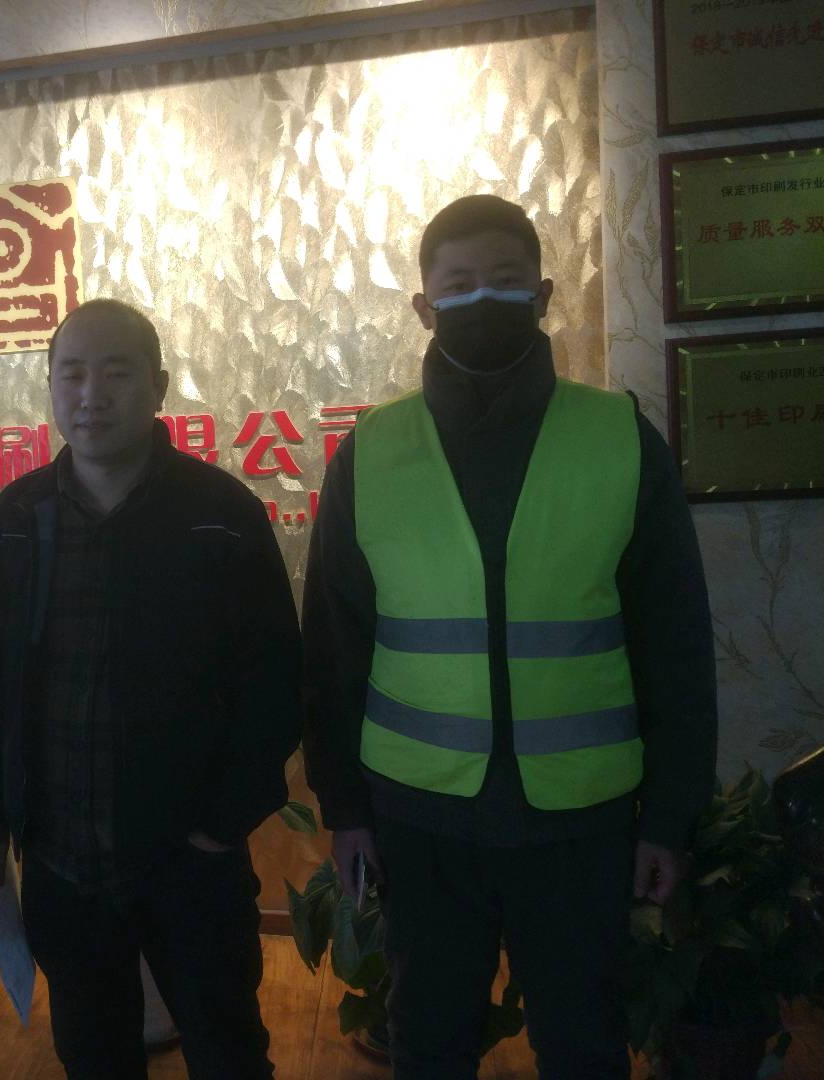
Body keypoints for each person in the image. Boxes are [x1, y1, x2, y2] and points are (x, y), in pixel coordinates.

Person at [302, 195, 717, 1079]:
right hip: (420, 818)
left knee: (584, 1044)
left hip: (580, 822)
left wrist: (669, 817)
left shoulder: (618, 439)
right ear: (423, 307)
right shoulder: (370, 453)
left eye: (504, 280)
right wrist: (345, 811)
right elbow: (334, 650)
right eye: (457, 285)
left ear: (544, 295)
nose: (481, 299)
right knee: (429, 1042)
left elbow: (675, 647)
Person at [0, 298, 302, 1079]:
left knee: (228, 1050)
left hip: (190, 860)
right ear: (51, 386)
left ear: (159, 387)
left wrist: (221, 825)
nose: (91, 395)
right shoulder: (17, 520)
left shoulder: (220, 515)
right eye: (71, 374)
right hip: (62, 859)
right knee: (93, 1052)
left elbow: (275, 681)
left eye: (116, 374)